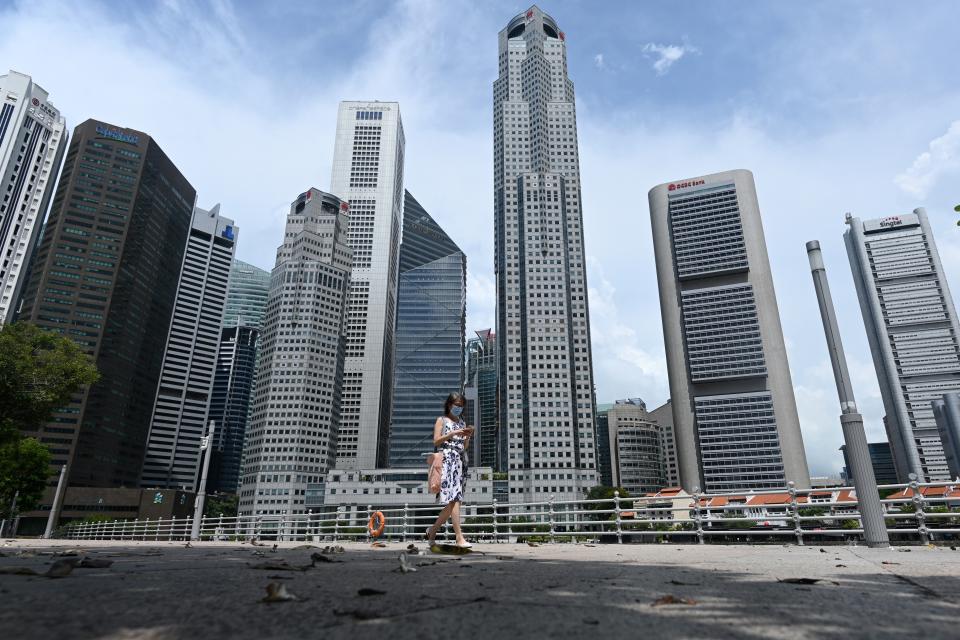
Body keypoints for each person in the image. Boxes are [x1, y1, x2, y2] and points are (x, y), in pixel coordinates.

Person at [426, 392, 475, 548]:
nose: (459, 408)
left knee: (455, 501)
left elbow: (464, 446)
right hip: (448, 459)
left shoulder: (462, 422)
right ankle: (459, 537)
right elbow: (436, 440)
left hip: (461, 461)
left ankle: (432, 531)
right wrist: (452, 433)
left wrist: (467, 436)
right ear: (449, 404)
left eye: (461, 406)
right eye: (456, 405)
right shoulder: (442, 420)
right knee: (455, 500)